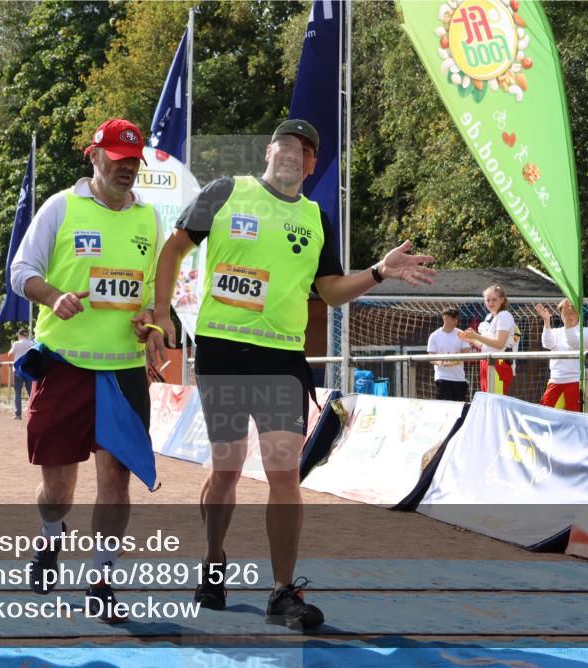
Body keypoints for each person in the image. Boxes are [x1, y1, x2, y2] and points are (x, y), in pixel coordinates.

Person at [148, 119, 435, 630]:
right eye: (285, 143)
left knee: (284, 474)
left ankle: (282, 591)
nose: (292, 153)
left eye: (304, 149)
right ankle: (214, 560)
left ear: (310, 165)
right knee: (229, 468)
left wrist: (378, 272)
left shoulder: (316, 218)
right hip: (224, 351)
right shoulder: (225, 192)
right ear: (267, 151)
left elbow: (329, 292)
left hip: (282, 358)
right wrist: (162, 311)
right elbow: (173, 250)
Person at [9, 118, 161, 624]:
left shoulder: (149, 219)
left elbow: (151, 297)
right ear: (93, 157)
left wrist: (151, 322)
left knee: (116, 482)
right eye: (118, 160)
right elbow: (20, 272)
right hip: (65, 366)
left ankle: (102, 577)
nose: (127, 169)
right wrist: (54, 295)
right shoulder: (61, 207)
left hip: (123, 372)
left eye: (134, 162)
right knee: (58, 490)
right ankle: (51, 541)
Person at [535, 300, 588, 412]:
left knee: (574, 415)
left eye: (571, 313)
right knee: (545, 411)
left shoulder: (586, 331)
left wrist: (567, 324)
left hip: (575, 380)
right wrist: (546, 321)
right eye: (565, 313)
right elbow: (547, 343)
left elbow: (573, 342)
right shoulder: (557, 332)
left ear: (579, 314)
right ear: (561, 316)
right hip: (555, 380)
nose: (568, 316)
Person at [459, 284, 518, 395]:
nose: (490, 303)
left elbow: (499, 343)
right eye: (488, 300)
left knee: (496, 401)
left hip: (498, 364)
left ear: (502, 300)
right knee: (489, 399)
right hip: (487, 362)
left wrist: (476, 336)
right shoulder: (489, 317)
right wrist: (470, 339)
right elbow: (486, 346)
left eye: (494, 299)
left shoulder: (504, 315)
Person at [427, 307, 470, 402]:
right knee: (443, 409)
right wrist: (442, 362)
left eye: (456, 318)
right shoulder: (434, 336)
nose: (456, 321)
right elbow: (431, 357)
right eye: (453, 318)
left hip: (459, 378)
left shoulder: (461, 333)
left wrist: (455, 359)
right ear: (445, 318)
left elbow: (467, 353)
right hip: (442, 378)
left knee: (459, 411)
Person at [8, 329, 35, 420]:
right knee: (31, 392)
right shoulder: (32, 343)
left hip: (18, 370)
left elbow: (10, 354)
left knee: (17, 392)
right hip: (29, 369)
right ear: (27, 335)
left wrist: (12, 346)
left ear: (20, 335)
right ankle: (34, 412)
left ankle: (18, 415)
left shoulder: (16, 343)